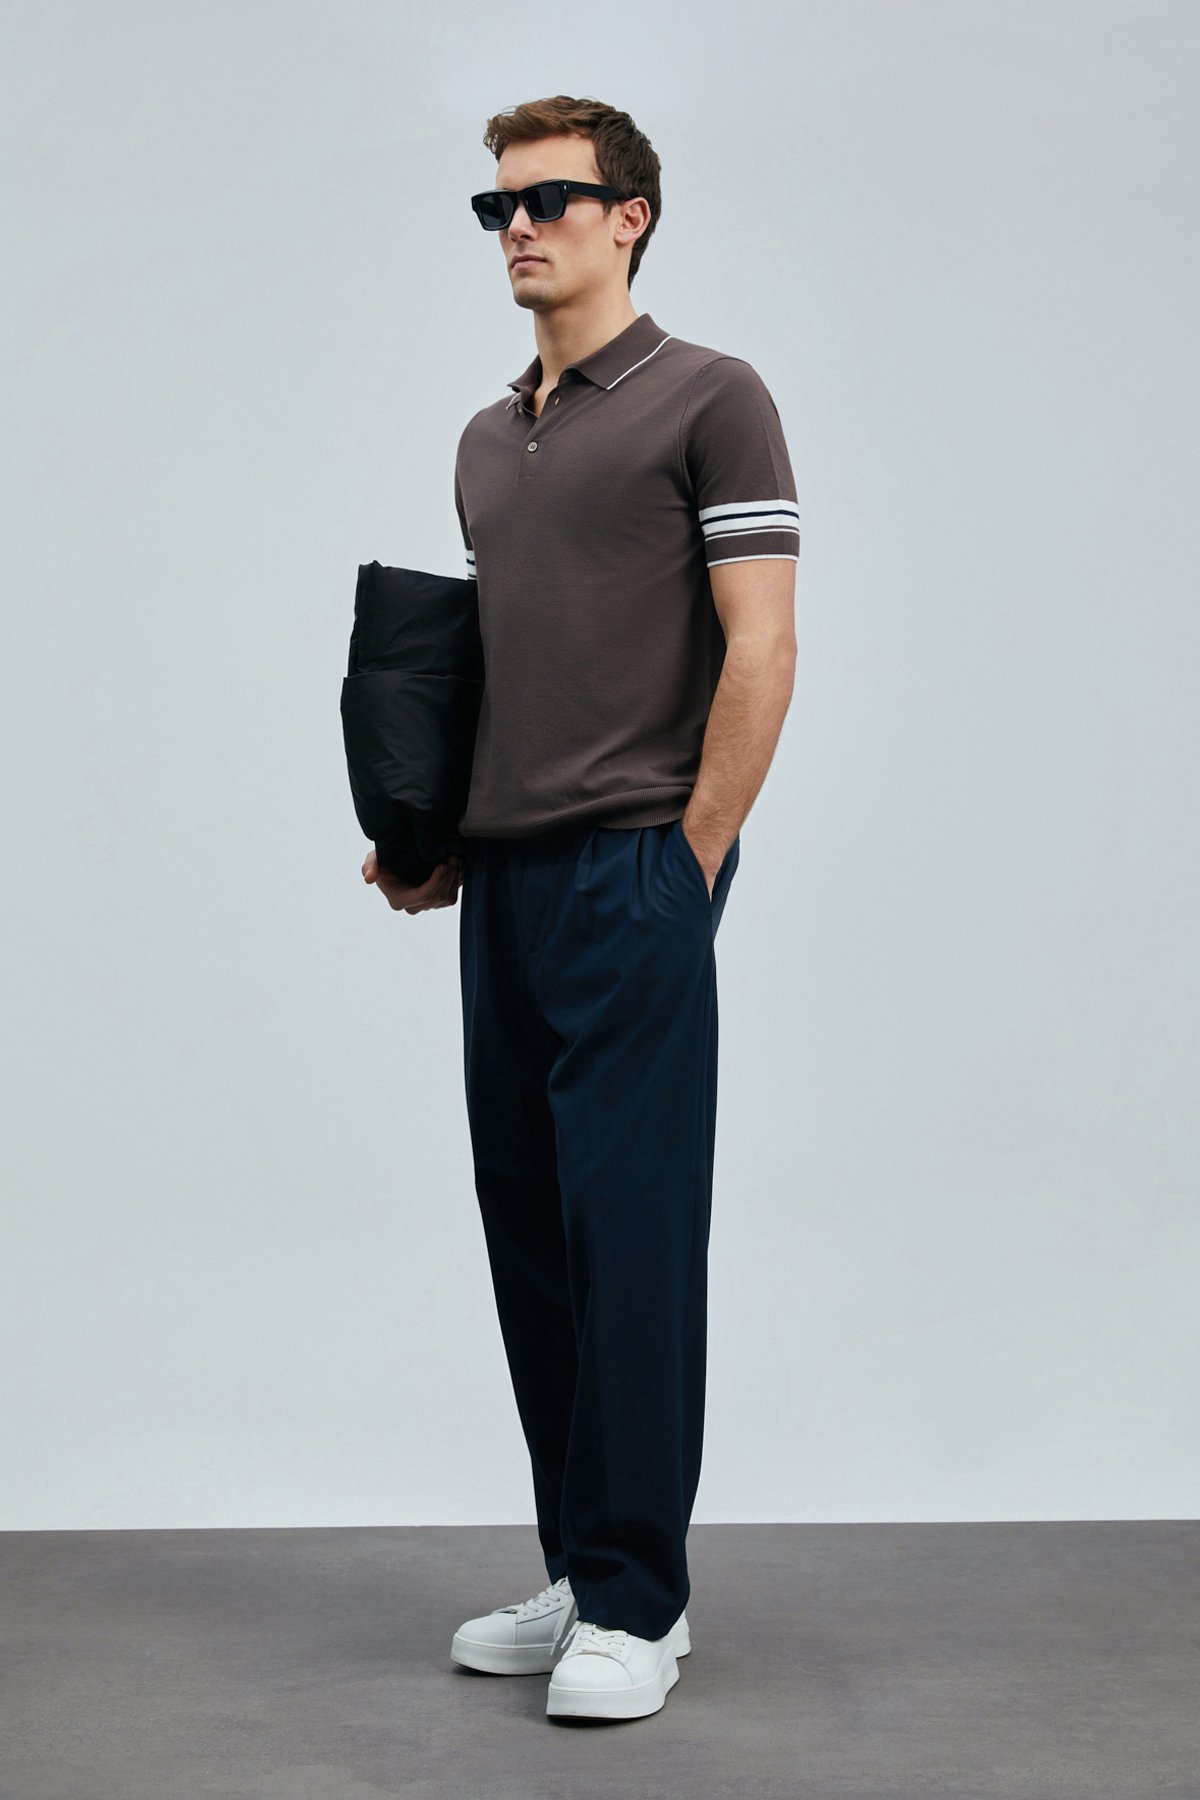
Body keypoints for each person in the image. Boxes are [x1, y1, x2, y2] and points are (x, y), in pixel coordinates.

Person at [362, 94, 799, 1721]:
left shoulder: (712, 398)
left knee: (632, 1228)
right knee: (534, 1232)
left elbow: (763, 644)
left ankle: (639, 1599)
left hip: (634, 868)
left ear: (631, 217)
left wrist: (691, 860)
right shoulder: (490, 438)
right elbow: (513, 659)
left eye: (550, 199)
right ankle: (578, 1562)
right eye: (499, 207)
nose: (520, 228)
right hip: (507, 880)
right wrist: (431, 832)